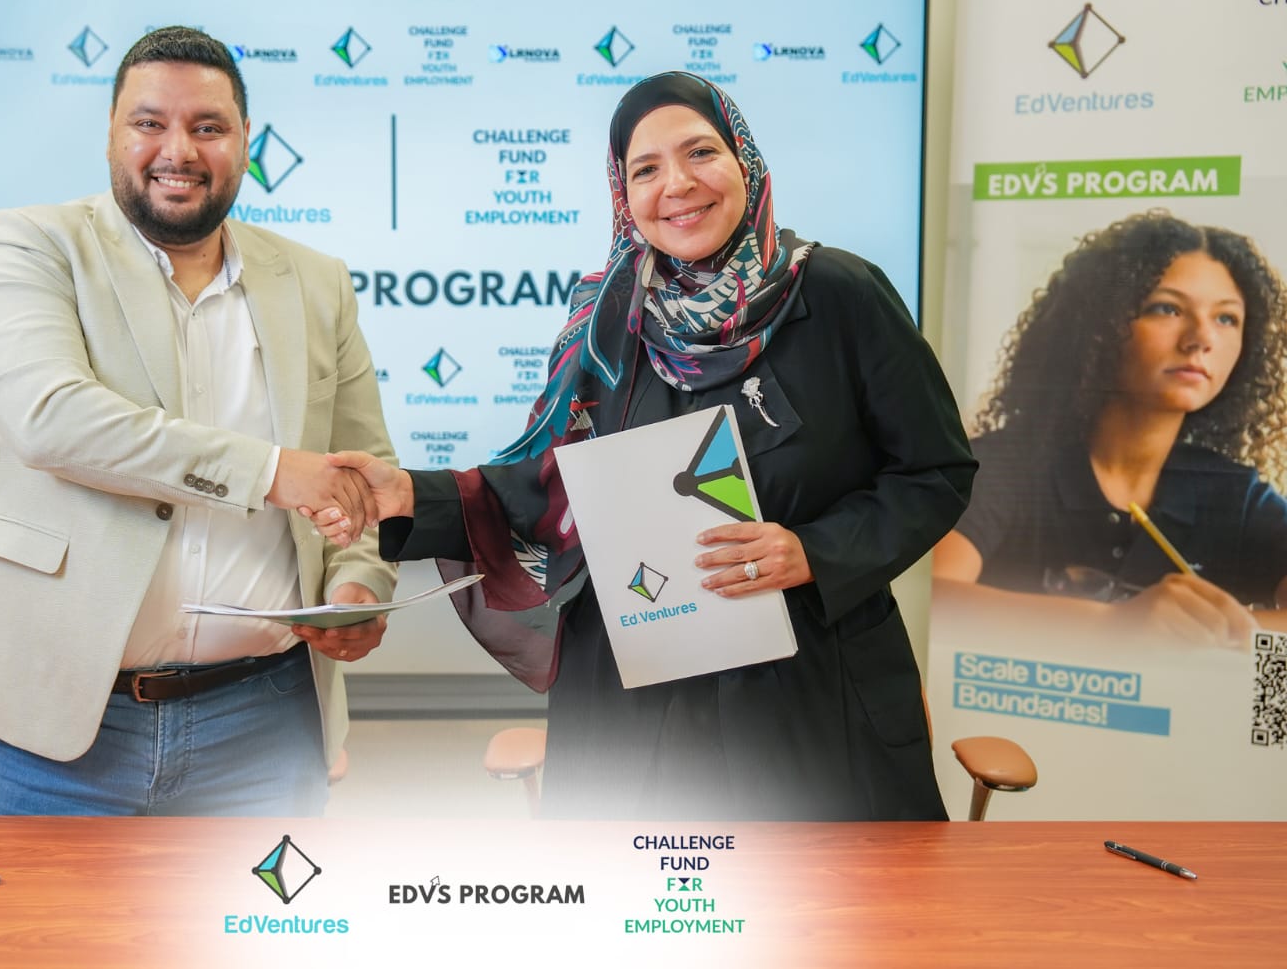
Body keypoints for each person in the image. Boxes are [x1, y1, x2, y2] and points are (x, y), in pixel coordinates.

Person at [318, 72, 976, 821]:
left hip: (809, 694)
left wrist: (814, 552)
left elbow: (935, 471)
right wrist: (410, 494)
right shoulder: (604, 319)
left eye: (700, 153)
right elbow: (547, 488)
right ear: (622, 192)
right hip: (636, 703)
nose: (678, 185)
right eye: (646, 169)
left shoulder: (837, 294)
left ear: (744, 161)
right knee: (639, 895)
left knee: (822, 897)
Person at [0, 26, 397, 816]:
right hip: (58, 726)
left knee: (265, 908)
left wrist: (357, 583)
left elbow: (360, 470)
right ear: (111, 132)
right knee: (42, 911)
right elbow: (51, 421)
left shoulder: (317, 281)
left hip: (264, 725)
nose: (179, 150)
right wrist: (272, 473)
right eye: (150, 123)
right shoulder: (30, 246)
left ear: (245, 139)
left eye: (208, 127)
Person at [932, 211, 1287, 643]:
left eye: (1226, 318)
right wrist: (1114, 626)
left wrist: (1218, 633)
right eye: (1167, 308)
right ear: (1099, 326)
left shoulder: (1236, 495)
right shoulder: (1004, 467)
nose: (1201, 338)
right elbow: (929, 600)